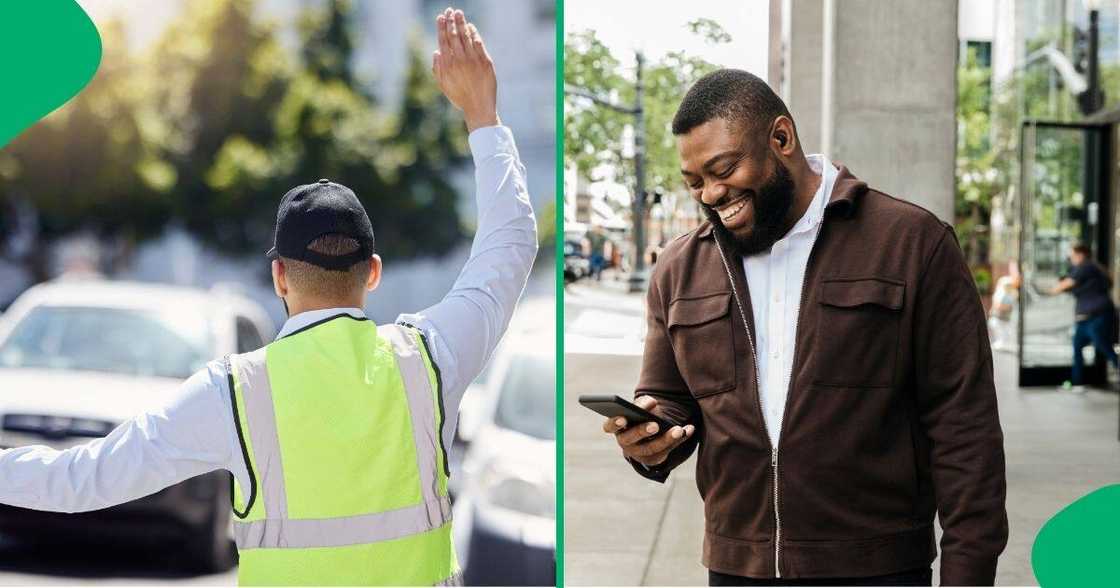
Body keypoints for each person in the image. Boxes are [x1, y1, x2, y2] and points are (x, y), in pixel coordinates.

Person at [0, 9, 536, 586]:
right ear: (372, 271)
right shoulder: (431, 359)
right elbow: (511, 244)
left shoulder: (233, 392)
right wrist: (483, 114)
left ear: (279, 276)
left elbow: (85, 478)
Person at [599, 69, 1007, 586]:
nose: (710, 194)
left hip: (878, 569)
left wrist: (968, 575)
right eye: (695, 182)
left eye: (723, 169)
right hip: (735, 569)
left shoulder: (913, 244)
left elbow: (965, 430)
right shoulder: (679, 268)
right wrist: (650, 436)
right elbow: (669, 399)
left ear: (781, 138)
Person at [1048, 243, 1118, 392]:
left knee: (1104, 347)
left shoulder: (1086, 267)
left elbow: (1066, 284)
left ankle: (1078, 382)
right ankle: (1077, 383)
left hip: (1097, 316)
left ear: (1080, 254)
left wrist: (1049, 290)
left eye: (1071, 255)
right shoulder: (1087, 268)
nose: (1070, 259)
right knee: (1078, 346)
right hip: (1085, 318)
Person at [988, 261, 1021, 353]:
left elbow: (1016, 281)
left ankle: (1003, 342)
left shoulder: (1011, 291)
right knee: (994, 323)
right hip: (999, 313)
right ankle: (1001, 341)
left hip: (1004, 314)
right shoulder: (1004, 283)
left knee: (1001, 326)